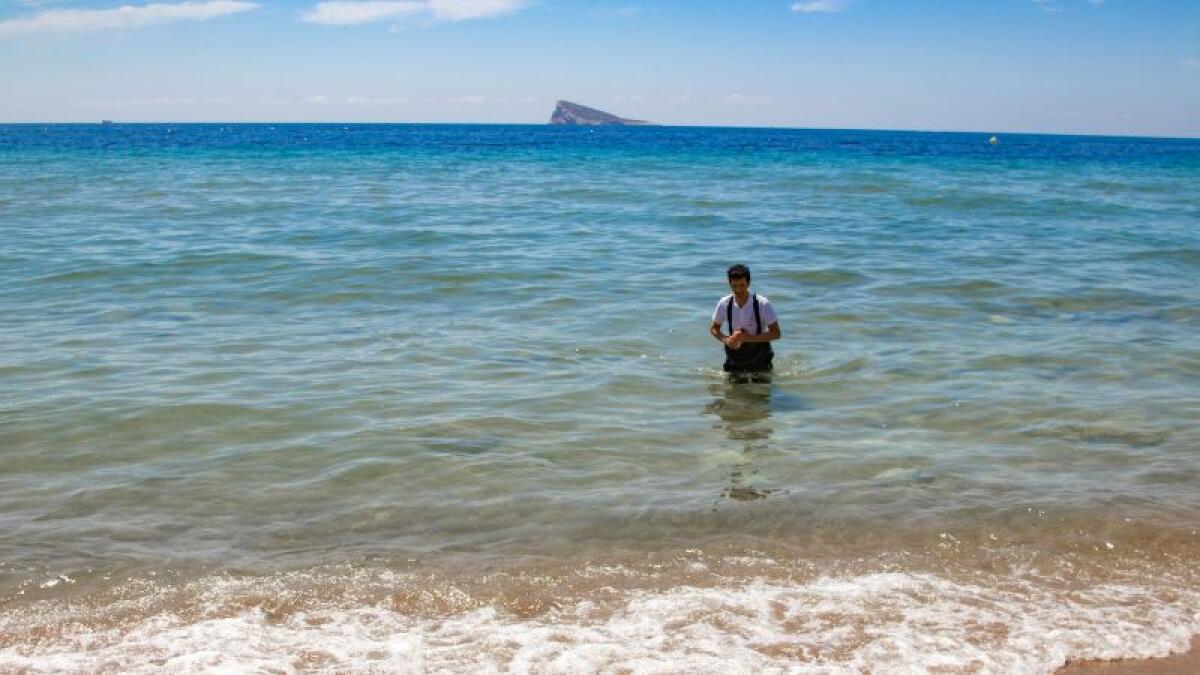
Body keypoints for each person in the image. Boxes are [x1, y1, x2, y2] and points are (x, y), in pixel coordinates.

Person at [709, 264, 781, 377]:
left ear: (748, 283)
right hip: (734, 357)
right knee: (733, 393)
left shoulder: (762, 303)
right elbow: (714, 328)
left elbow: (776, 333)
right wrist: (726, 340)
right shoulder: (724, 303)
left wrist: (747, 338)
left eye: (742, 285)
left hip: (760, 357)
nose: (738, 290)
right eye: (734, 286)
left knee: (761, 392)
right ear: (729, 284)